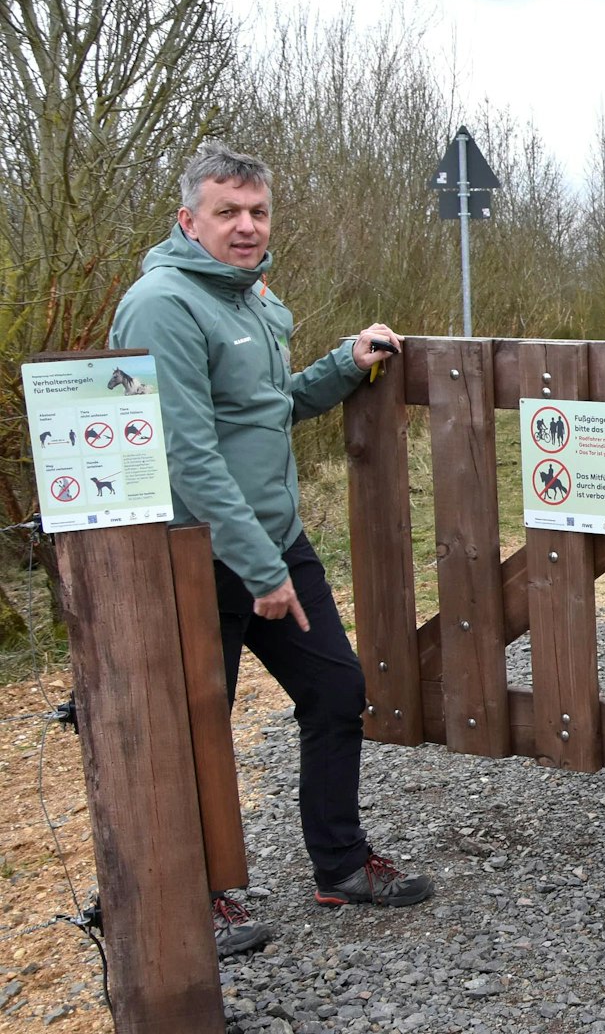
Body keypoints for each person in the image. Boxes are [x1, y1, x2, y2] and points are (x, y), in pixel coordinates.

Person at [110, 143, 433, 958]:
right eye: (228, 211)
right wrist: (261, 571)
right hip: (193, 558)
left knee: (335, 689)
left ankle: (340, 864)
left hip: (272, 543)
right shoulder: (164, 306)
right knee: (192, 728)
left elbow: (265, 409)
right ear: (189, 219)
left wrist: (340, 366)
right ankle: (192, 899)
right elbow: (188, 456)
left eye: (257, 212)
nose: (247, 226)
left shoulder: (252, 296)